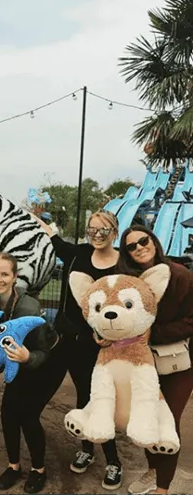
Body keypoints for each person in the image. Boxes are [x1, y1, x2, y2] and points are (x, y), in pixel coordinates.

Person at [32, 210, 124, 491]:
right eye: (92, 228)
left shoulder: (123, 265)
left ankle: (113, 461)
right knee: (63, 393)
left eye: (103, 229)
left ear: (114, 232)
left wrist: (111, 336)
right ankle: (86, 448)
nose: (96, 234)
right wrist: (32, 218)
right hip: (65, 338)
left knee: (94, 398)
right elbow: (51, 237)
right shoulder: (78, 254)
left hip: (97, 345)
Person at [0, 252, 60, 493]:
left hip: (46, 364)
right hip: (18, 363)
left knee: (28, 416)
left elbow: (44, 349)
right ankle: (13, 466)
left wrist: (28, 358)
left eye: (5, 274)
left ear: (14, 277)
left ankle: (38, 470)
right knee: (8, 413)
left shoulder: (28, 306)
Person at [117, 225, 193, 495]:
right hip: (143, 364)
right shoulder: (128, 282)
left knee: (167, 421)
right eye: (131, 246)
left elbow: (191, 320)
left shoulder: (179, 275)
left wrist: (154, 333)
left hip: (177, 364)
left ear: (154, 241)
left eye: (143, 241)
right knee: (147, 417)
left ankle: (163, 486)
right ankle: (153, 470)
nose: (139, 247)